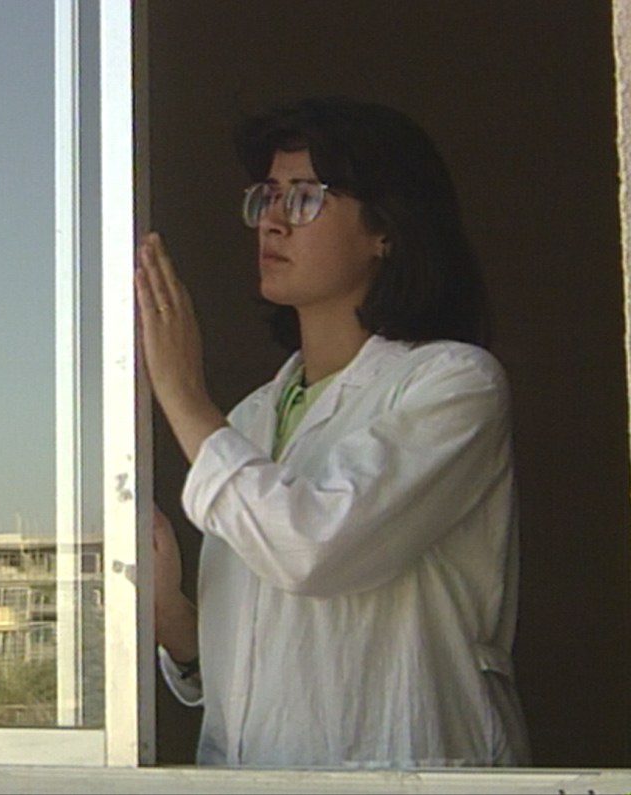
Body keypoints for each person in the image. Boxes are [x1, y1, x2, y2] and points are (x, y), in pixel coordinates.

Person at [134, 97, 531, 768]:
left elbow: (313, 547)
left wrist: (181, 393)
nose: (273, 220)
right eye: (267, 196)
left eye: (306, 197)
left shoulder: (454, 385)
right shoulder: (252, 418)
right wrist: (171, 616)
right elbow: (273, 668)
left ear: (386, 231)